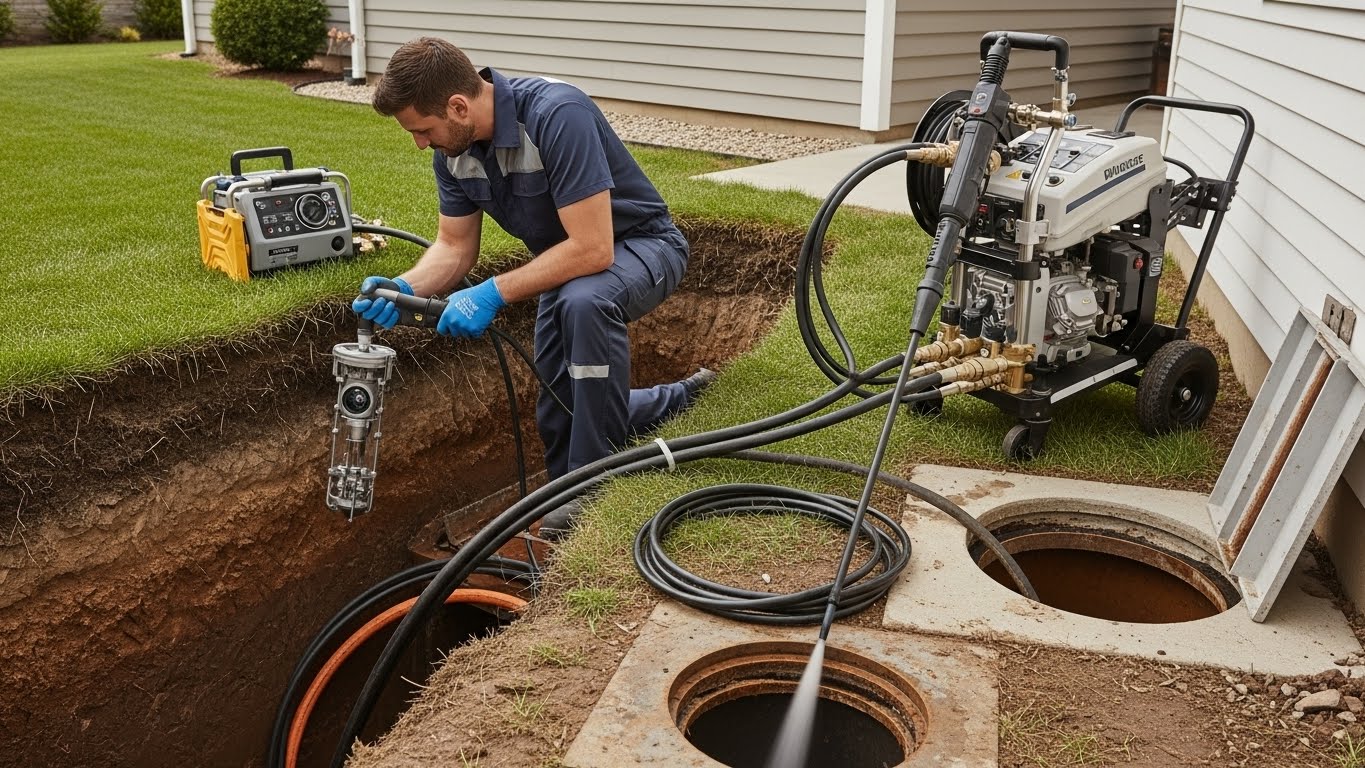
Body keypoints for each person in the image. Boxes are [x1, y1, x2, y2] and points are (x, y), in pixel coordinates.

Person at [354, 36, 713, 535]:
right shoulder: (454, 152)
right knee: (557, 395)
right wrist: (401, 286)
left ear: (458, 106)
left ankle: (592, 486)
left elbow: (594, 248)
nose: (420, 143)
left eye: (423, 130)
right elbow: (454, 248)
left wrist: (490, 293)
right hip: (567, 267)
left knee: (584, 303)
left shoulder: (556, 114)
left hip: (644, 246)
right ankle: (673, 401)